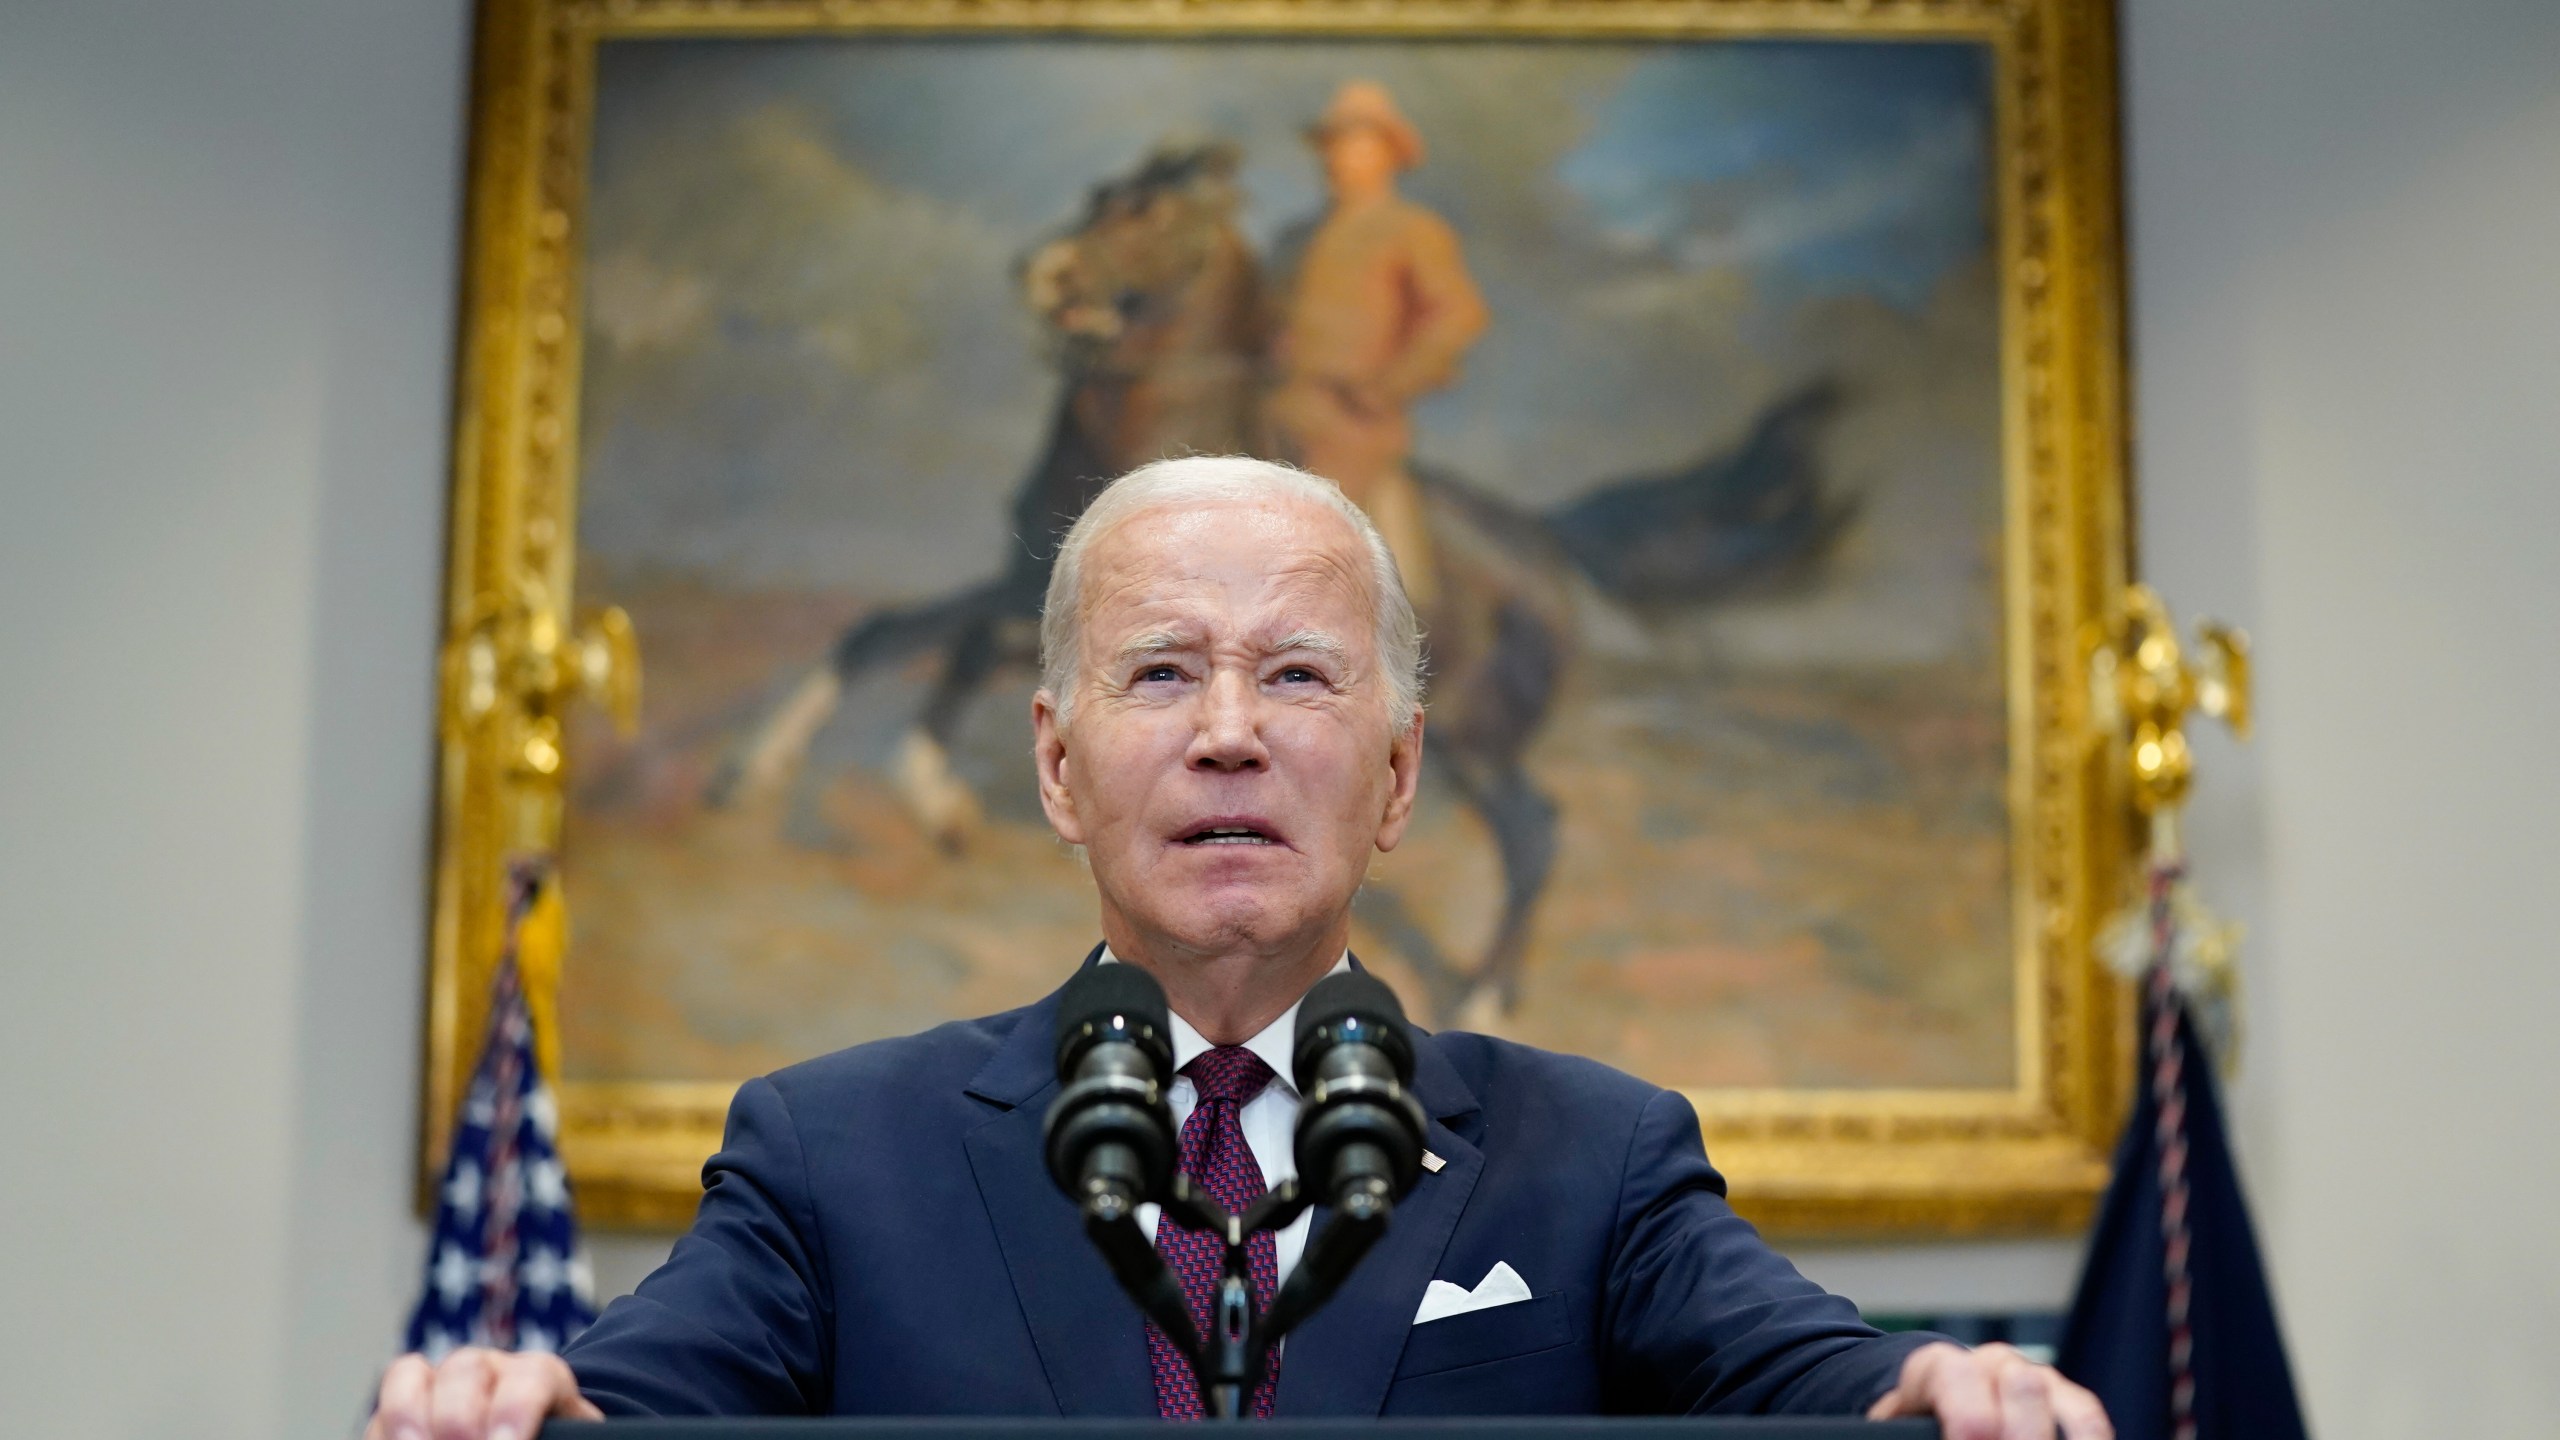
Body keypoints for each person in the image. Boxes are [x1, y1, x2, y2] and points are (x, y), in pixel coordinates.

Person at [368, 456, 2110, 1440]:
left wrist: (1932, 1386)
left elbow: (1808, 1375)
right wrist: (524, 1407)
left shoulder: (1594, 1162)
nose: (1227, 735)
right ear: (1056, 765)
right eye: (1158, 672)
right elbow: (640, 1404)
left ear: (1401, 775)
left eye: (1296, 676)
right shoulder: (840, 1157)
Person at [1263, 81, 1488, 610]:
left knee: (1317, 547)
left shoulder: (1412, 230)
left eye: (1359, 143)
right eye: (1335, 145)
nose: (1342, 157)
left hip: (1352, 419)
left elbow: (1458, 314)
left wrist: (1390, 386)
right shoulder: (1296, 239)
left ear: (1389, 155)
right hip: (1276, 409)